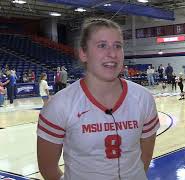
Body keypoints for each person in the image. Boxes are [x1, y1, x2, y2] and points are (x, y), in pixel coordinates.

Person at [37, 17, 160, 180]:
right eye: (102, 45)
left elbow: (145, 156)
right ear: (83, 53)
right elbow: (48, 168)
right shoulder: (60, 105)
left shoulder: (143, 98)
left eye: (118, 46)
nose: (112, 53)